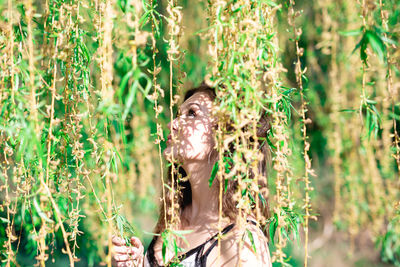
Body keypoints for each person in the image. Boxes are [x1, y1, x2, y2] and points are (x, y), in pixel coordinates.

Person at [111, 84, 272, 267]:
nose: (173, 124)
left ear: (226, 135)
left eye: (192, 113)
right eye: (179, 115)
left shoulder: (242, 240)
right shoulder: (176, 214)